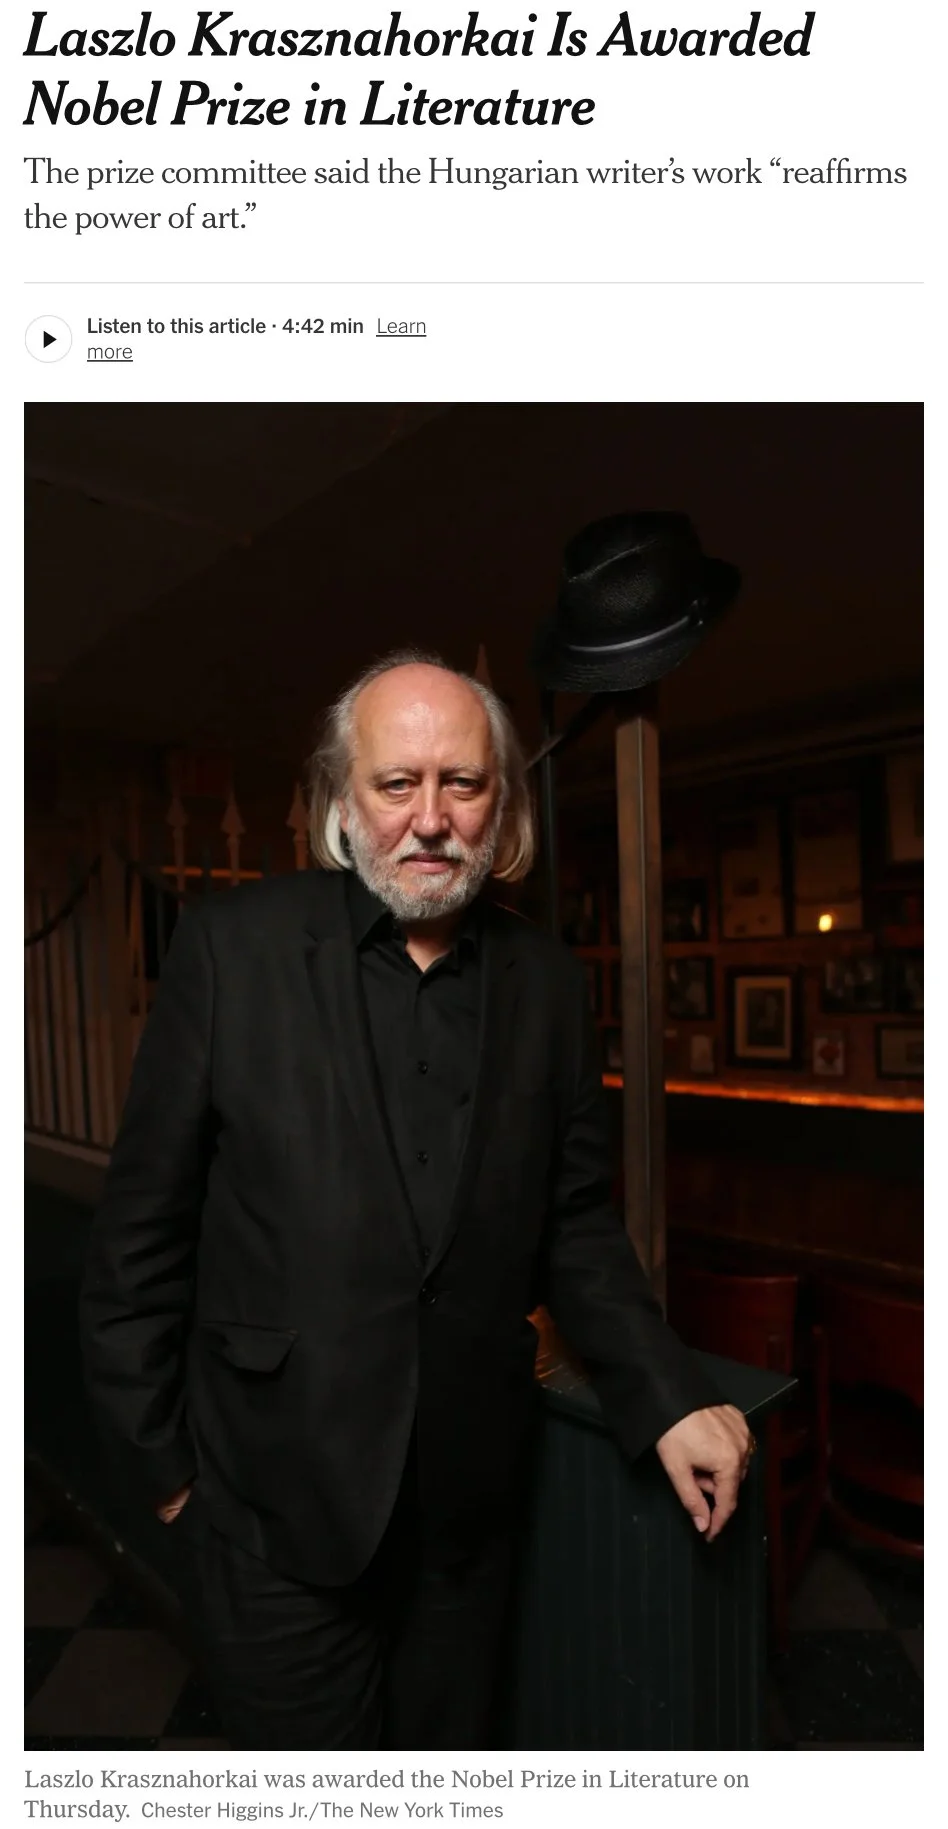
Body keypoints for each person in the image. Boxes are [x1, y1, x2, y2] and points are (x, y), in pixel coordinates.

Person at [80, 650, 751, 1752]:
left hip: (467, 1515)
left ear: (501, 804)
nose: (430, 818)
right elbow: (140, 1235)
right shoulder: (232, 950)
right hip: (268, 1511)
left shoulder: (546, 982)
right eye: (398, 783)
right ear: (346, 798)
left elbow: (575, 1222)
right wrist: (166, 1481)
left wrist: (668, 1393)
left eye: (463, 782)